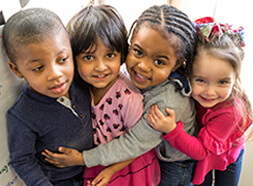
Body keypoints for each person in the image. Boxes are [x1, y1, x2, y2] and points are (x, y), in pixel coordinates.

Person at [42, 5, 197, 186]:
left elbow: (134, 143)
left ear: (177, 65)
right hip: (140, 149)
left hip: (174, 161)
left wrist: (82, 159)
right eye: (138, 52)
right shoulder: (115, 74)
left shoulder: (164, 105)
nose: (143, 66)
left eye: (159, 61)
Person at [57, 5, 161, 186]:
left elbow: (139, 144)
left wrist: (112, 170)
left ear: (122, 55)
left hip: (128, 164)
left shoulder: (128, 97)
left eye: (110, 55)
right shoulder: (81, 86)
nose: (101, 67)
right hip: (99, 159)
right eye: (89, 57)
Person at [147, 17, 253, 186]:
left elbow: (202, 151)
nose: (210, 92)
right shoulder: (187, 85)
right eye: (201, 81)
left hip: (227, 151)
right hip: (203, 143)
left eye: (223, 82)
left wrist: (172, 130)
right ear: (188, 72)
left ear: (235, 79)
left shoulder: (231, 112)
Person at [3, 8, 93, 186]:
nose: (55, 74)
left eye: (62, 59)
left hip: (94, 167)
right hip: (59, 180)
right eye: (38, 68)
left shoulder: (82, 80)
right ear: (16, 70)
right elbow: (22, 160)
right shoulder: (22, 115)